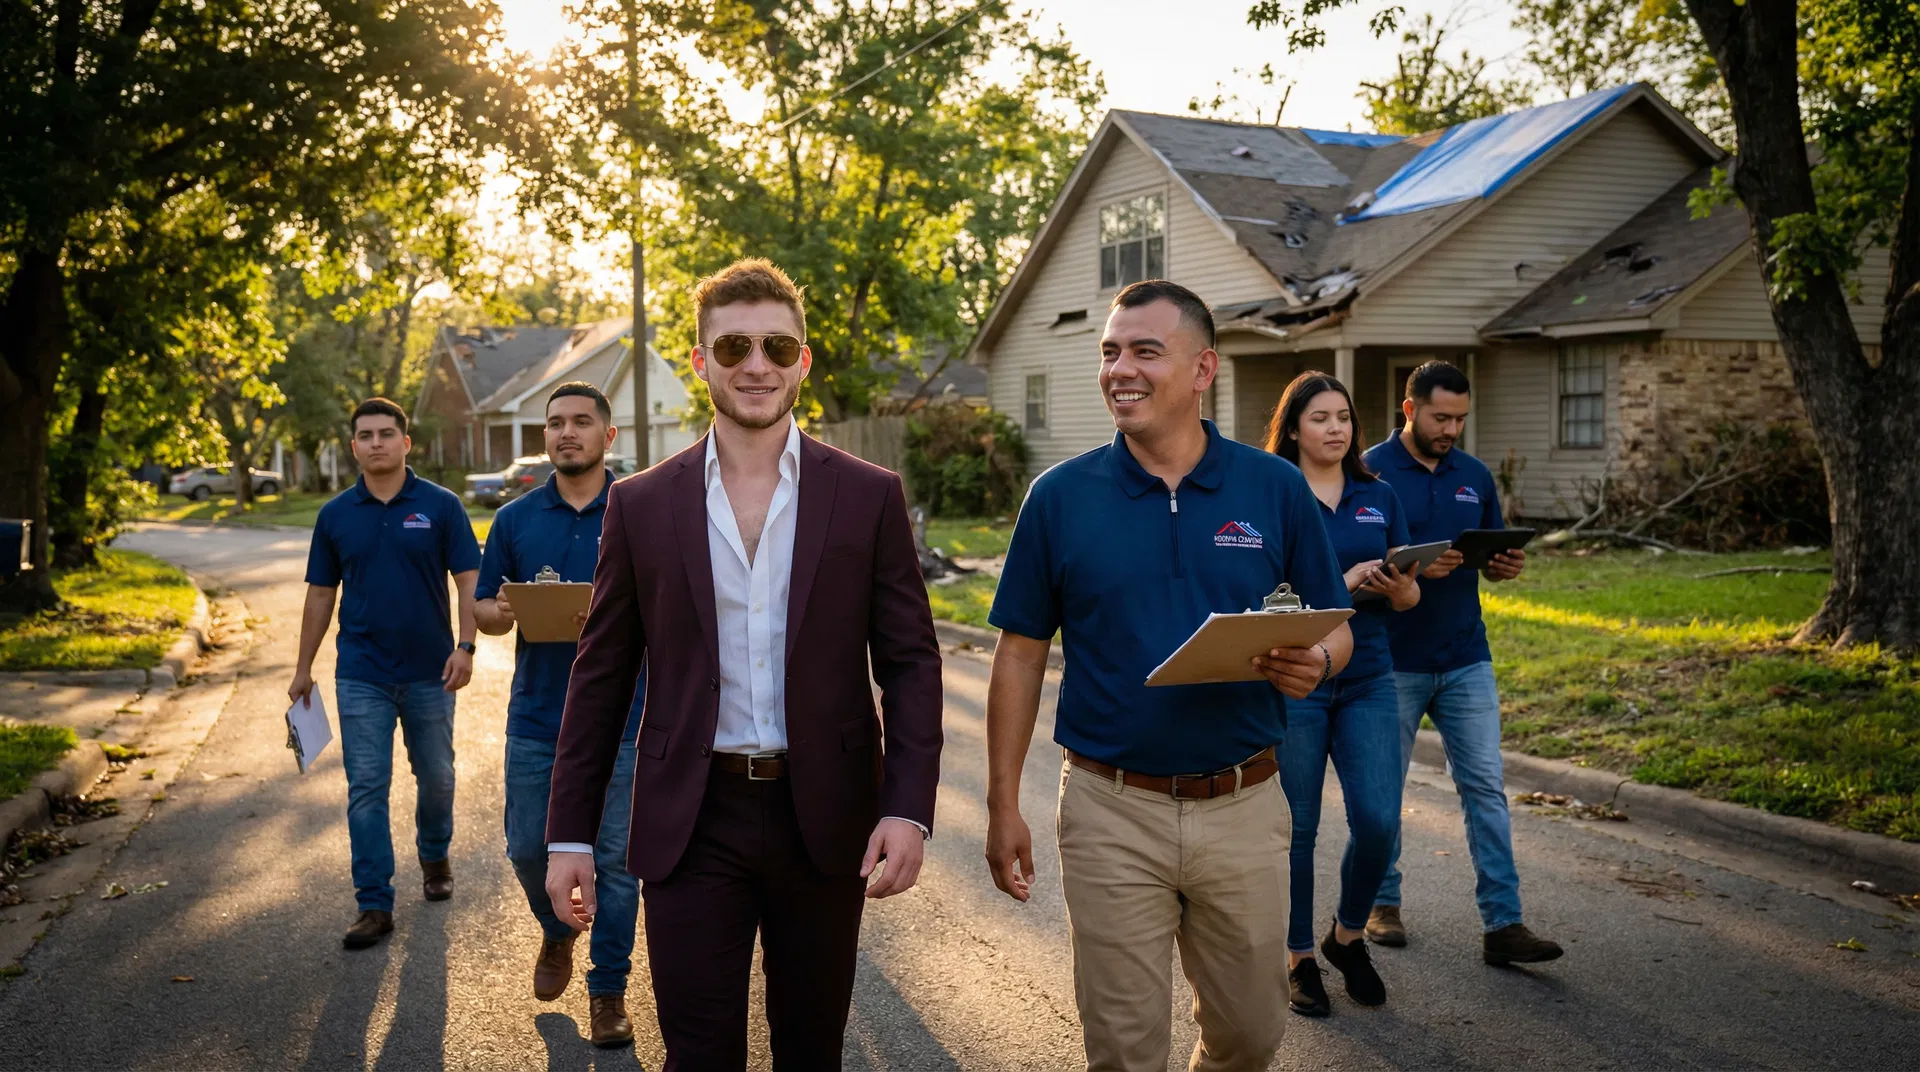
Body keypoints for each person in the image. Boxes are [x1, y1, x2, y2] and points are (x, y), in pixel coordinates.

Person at [543, 258, 945, 1069]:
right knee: (698, 1054)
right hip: (694, 820)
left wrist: (908, 808)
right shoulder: (643, 503)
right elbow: (601, 675)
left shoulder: (868, 495)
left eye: (775, 346)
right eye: (732, 349)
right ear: (700, 362)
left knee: (811, 1049)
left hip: (825, 817)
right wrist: (567, 835)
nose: (755, 365)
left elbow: (910, 664)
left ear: (803, 359)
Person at [984, 280, 1354, 1072]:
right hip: (1109, 810)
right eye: (1110, 352)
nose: (1121, 368)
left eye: (1145, 351)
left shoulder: (1274, 488)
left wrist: (1314, 660)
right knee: (1121, 1049)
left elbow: (1334, 624)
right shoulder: (1058, 498)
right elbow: (1019, 653)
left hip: (1246, 804)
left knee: (1252, 1036)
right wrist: (1002, 802)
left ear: (1202, 369)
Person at [1361, 359, 1564, 966]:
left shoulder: (1473, 475)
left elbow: (1489, 547)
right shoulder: (1369, 471)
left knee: (1484, 788)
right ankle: (1381, 903)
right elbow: (1348, 562)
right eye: (1440, 417)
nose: (1450, 428)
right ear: (1410, 410)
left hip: (1465, 655)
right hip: (1390, 660)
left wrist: (1502, 565)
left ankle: (1504, 924)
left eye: (1460, 419)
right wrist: (1412, 569)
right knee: (1383, 792)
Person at [475, 381, 644, 1048]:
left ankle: (609, 991)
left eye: (581, 422)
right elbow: (484, 611)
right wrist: (508, 611)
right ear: (544, 438)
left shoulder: (636, 512)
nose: (566, 432)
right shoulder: (515, 520)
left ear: (609, 436)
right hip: (539, 718)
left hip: (628, 718)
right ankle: (554, 932)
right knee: (524, 846)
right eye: (554, 424)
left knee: (616, 861)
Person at [288, 397, 480, 950]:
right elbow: (321, 594)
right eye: (366, 435)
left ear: (405, 443)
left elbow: (470, 579)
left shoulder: (441, 507)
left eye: (386, 433)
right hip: (362, 674)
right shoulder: (335, 516)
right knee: (366, 788)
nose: (376, 442)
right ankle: (373, 903)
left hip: (430, 672)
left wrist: (466, 646)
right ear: (354, 447)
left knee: (437, 777)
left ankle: (434, 852)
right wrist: (303, 668)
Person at [1263, 372, 1421, 1017]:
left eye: (1344, 418)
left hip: (1369, 677)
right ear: (1294, 426)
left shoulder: (1378, 495)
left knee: (1380, 821)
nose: (1335, 429)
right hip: (1298, 678)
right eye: (1321, 418)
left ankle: (1346, 935)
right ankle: (1299, 955)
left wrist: (1398, 589)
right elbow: (1264, 593)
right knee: (1297, 829)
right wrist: (1338, 582)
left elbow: (1411, 593)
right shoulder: (1272, 493)